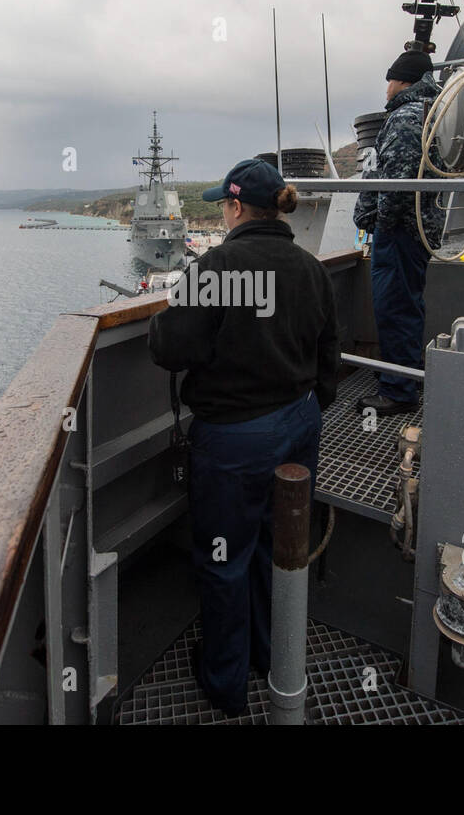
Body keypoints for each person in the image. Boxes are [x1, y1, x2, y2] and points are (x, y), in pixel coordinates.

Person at [147, 159, 339, 716]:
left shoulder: (218, 268)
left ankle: (225, 685)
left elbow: (168, 348)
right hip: (300, 423)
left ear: (234, 208)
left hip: (236, 440)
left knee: (224, 560)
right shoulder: (311, 267)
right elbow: (328, 356)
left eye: (221, 205)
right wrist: (309, 408)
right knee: (275, 553)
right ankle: (269, 655)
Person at [352, 50, 446, 415]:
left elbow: (399, 183)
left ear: (402, 81)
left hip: (400, 232)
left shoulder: (408, 115)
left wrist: (382, 222)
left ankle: (398, 390)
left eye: (389, 80)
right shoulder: (428, 112)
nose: (387, 89)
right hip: (412, 230)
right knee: (405, 305)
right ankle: (402, 373)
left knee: (395, 307)